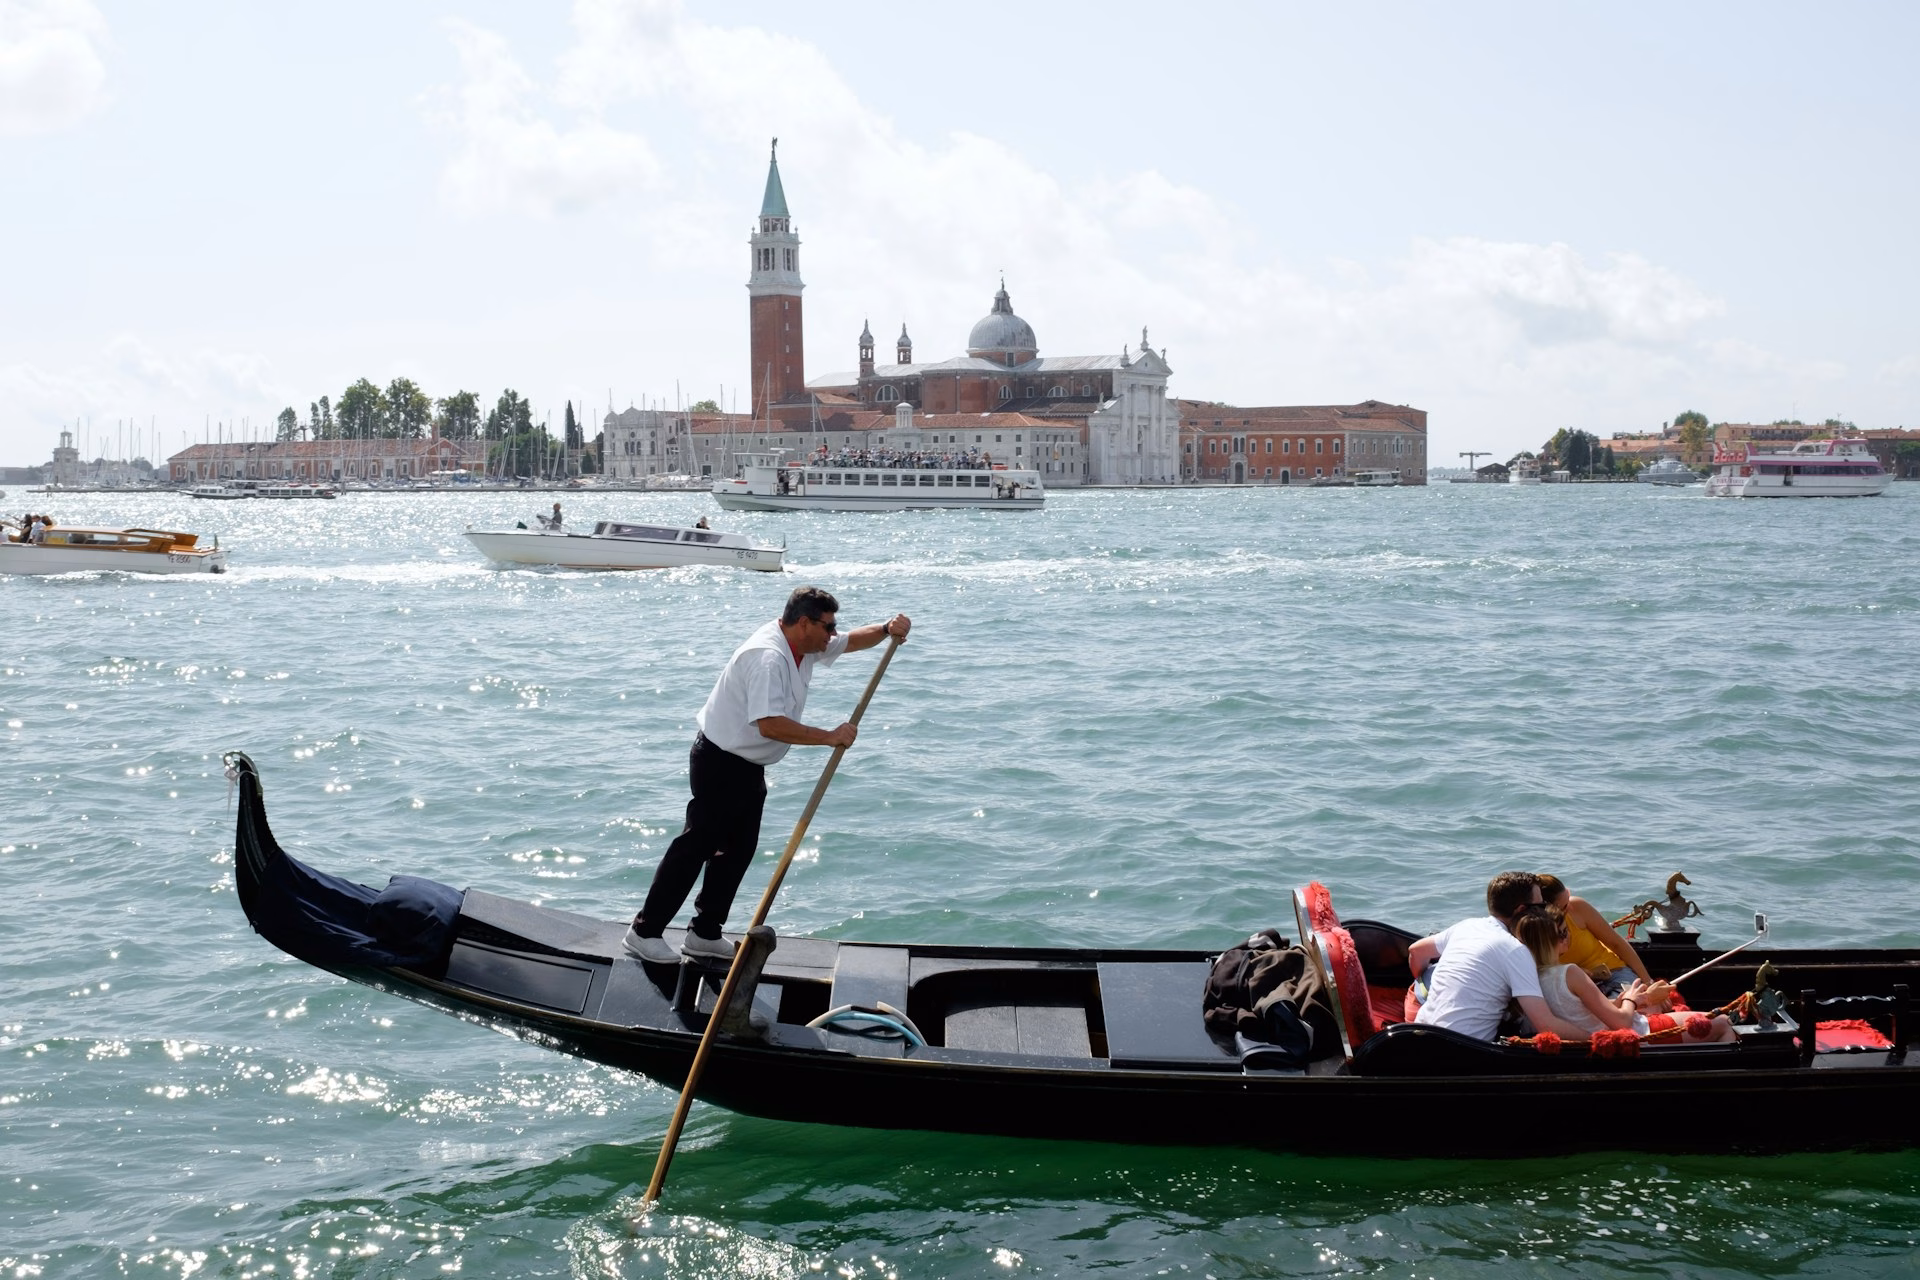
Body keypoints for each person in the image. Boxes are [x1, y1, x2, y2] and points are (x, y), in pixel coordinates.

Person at [623, 586, 911, 963]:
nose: (832, 634)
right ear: (804, 623)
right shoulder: (768, 658)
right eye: (828, 626)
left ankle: (704, 933)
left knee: (737, 851)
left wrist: (887, 629)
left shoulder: (806, 644)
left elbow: (852, 641)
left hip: (747, 767)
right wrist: (829, 737)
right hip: (719, 761)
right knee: (697, 847)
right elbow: (770, 725)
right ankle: (644, 931)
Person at [1407, 872, 1589, 1042]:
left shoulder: (1467, 926)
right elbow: (1546, 1025)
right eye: (1541, 906)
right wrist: (1596, 1037)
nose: (1545, 912)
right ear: (1522, 909)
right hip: (1462, 1048)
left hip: (1419, 1034)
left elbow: (1415, 951)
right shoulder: (1515, 950)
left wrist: (1423, 979)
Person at [1516, 908, 1735, 1043]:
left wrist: (1619, 1001)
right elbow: (1622, 1023)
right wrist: (1631, 999)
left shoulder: (1530, 977)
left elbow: (1573, 1011)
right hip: (1639, 1036)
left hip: (1606, 1032)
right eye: (1564, 932)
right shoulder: (1571, 972)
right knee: (1724, 1022)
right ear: (1554, 941)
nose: (1569, 936)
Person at [1533, 874, 1654, 997]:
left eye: (1568, 897)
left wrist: (1649, 983)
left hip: (1612, 973)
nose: (1570, 907)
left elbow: (1616, 943)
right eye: (1563, 907)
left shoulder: (1577, 907)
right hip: (1572, 985)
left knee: (1637, 1002)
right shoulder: (1532, 933)